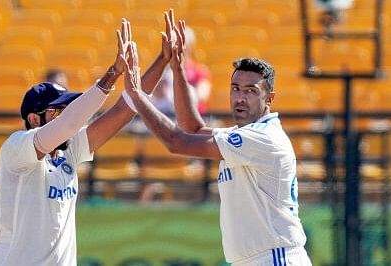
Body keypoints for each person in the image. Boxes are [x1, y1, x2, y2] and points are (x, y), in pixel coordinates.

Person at [0, 12, 179, 266]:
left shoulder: (70, 149)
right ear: (34, 120)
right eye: (57, 110)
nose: (67, 113)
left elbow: (126, 109)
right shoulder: (17, 147)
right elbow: (68, 124)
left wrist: (162, 60)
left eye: (68, 107)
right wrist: (112, 74)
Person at [122, 20, 312, 265]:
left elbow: (176, 142)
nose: (240, 98)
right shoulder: (247, 135)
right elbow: (192, 128)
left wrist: (136, 94)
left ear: (270, 98)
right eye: (236, 88)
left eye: (251, 91)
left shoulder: (264, 137)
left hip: (275, 258)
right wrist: (178, 69)